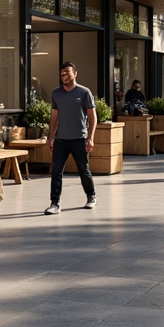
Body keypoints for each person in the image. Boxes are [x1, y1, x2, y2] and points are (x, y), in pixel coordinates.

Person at [44, 61, 98, 215]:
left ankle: (91, 196)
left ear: (75, 73)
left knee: (83, 170)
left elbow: (93, 118)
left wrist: (90, 138)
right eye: (62, 74)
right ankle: (55, 203)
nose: (64, 76)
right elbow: (54, 117)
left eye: (67, 72)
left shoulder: (84, 92)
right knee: (56, 171)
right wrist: (51, 137)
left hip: (79, 139)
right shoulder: (56, 93)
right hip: (61, 139)